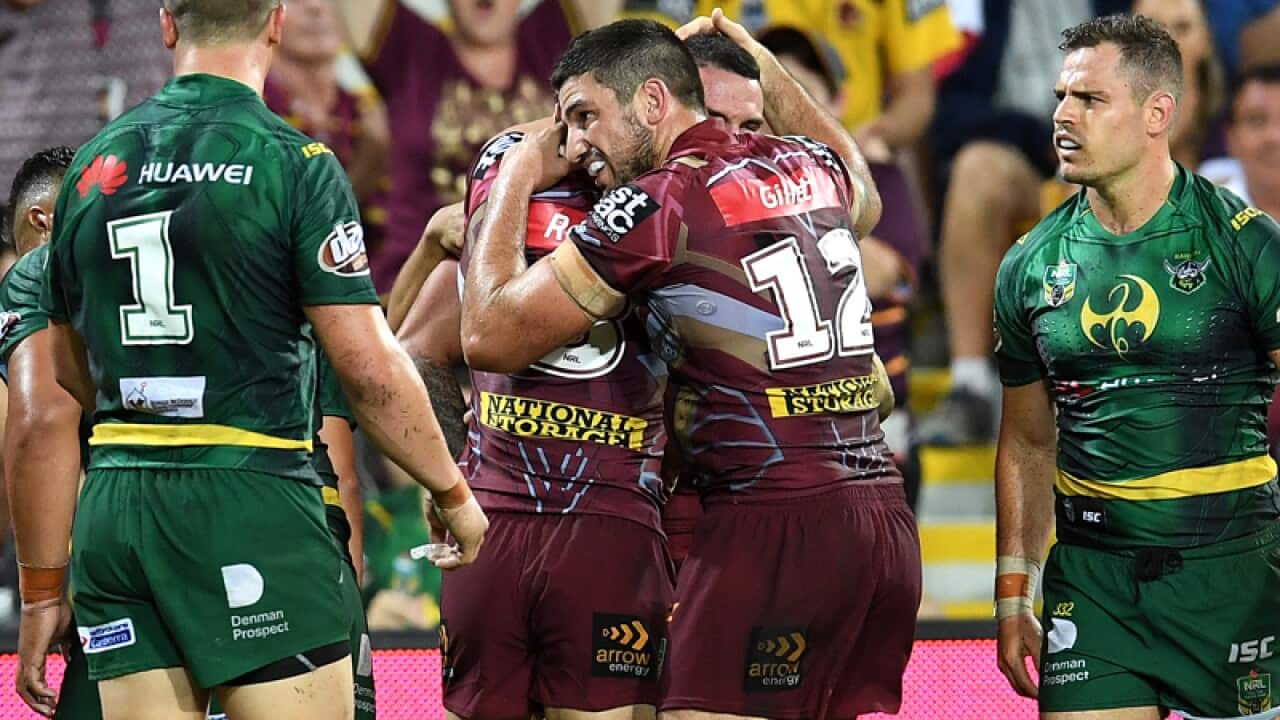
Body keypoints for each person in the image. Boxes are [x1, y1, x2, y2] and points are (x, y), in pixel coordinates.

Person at [17, 2, 487, 719]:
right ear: (275, 21)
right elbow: (365, 369)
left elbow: (69, 369)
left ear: (168, 24)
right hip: (249, 500)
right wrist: (452, 491)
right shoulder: (294, 164)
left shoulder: (89, 167)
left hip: (117, 504)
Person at [460, 14, 920, 720]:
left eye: (586, 117)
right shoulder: (807, 166)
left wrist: (516, 170)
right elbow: (865, 182)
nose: (576, 145)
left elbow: (490, 335)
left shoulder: (657, 202)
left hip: (773, 522)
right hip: (883, 522)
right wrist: (758, 57)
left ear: (652, 102)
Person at [993, 15, 1280, 720]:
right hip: (1093, 582)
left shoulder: (1246, 245)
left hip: (1233, 579)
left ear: (1159, 114)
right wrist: (1013, 590)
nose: (1063, 114)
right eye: (1062, 96)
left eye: (1090, 99)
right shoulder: (1030, 264)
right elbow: (1029, 440)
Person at [1, 146, 102, 720]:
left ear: (41, 221)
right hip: (286, 535)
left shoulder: (39, 269)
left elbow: (41, 423)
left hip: (129, 539)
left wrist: (40, 601)